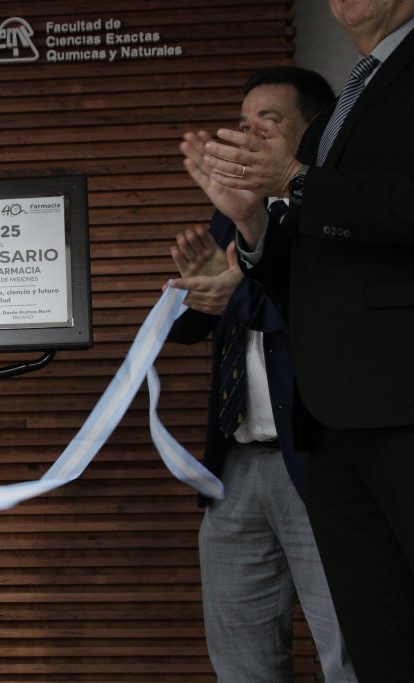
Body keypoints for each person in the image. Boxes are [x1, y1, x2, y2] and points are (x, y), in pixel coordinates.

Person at [180, 1, 414, 678]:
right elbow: (311, 270)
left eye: (269, 121)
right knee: (377, 633)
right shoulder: (356, 92)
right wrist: (252, 224)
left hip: (399, 396)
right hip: (333, 416)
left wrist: (293, 181)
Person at [169, 67, 355, 682]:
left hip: (321, 460)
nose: (246, 135)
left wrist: (239, 292)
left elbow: (326, 317)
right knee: (241, 658)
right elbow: (192, 326)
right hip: (237, 465)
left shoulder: (336, 208)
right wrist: (195, 294)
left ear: (314, 131)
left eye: (267, 122)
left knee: (348, 647)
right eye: (242, 123)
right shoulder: (231, 210)